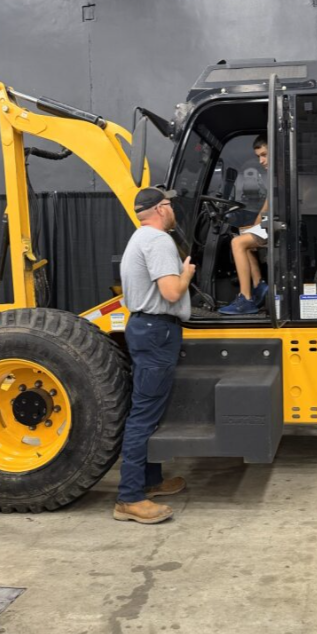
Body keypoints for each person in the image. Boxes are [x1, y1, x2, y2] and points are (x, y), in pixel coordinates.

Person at [113, 186, 195, 525]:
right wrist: (187, 272)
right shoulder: (159, 241)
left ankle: (150, 482)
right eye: (170, 204)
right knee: (144, 416)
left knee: (148, 412)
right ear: (160, 209)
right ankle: (129, 498)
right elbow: (171, 291)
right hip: (158, 331)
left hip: (147, 329)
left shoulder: (139, 238)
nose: (173, 208)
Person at [219, 135, 269, 315]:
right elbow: (266, 208)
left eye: (264, 154)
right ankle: (259, 285)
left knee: (237, 243)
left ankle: (245, 298)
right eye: (258, 157)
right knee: (243, 239)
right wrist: (253, 229)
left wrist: (255, 229)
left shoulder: (281, 173)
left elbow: (268, 209)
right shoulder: (277, 174)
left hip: (280, 226)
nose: (261, 161)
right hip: (273, 224)